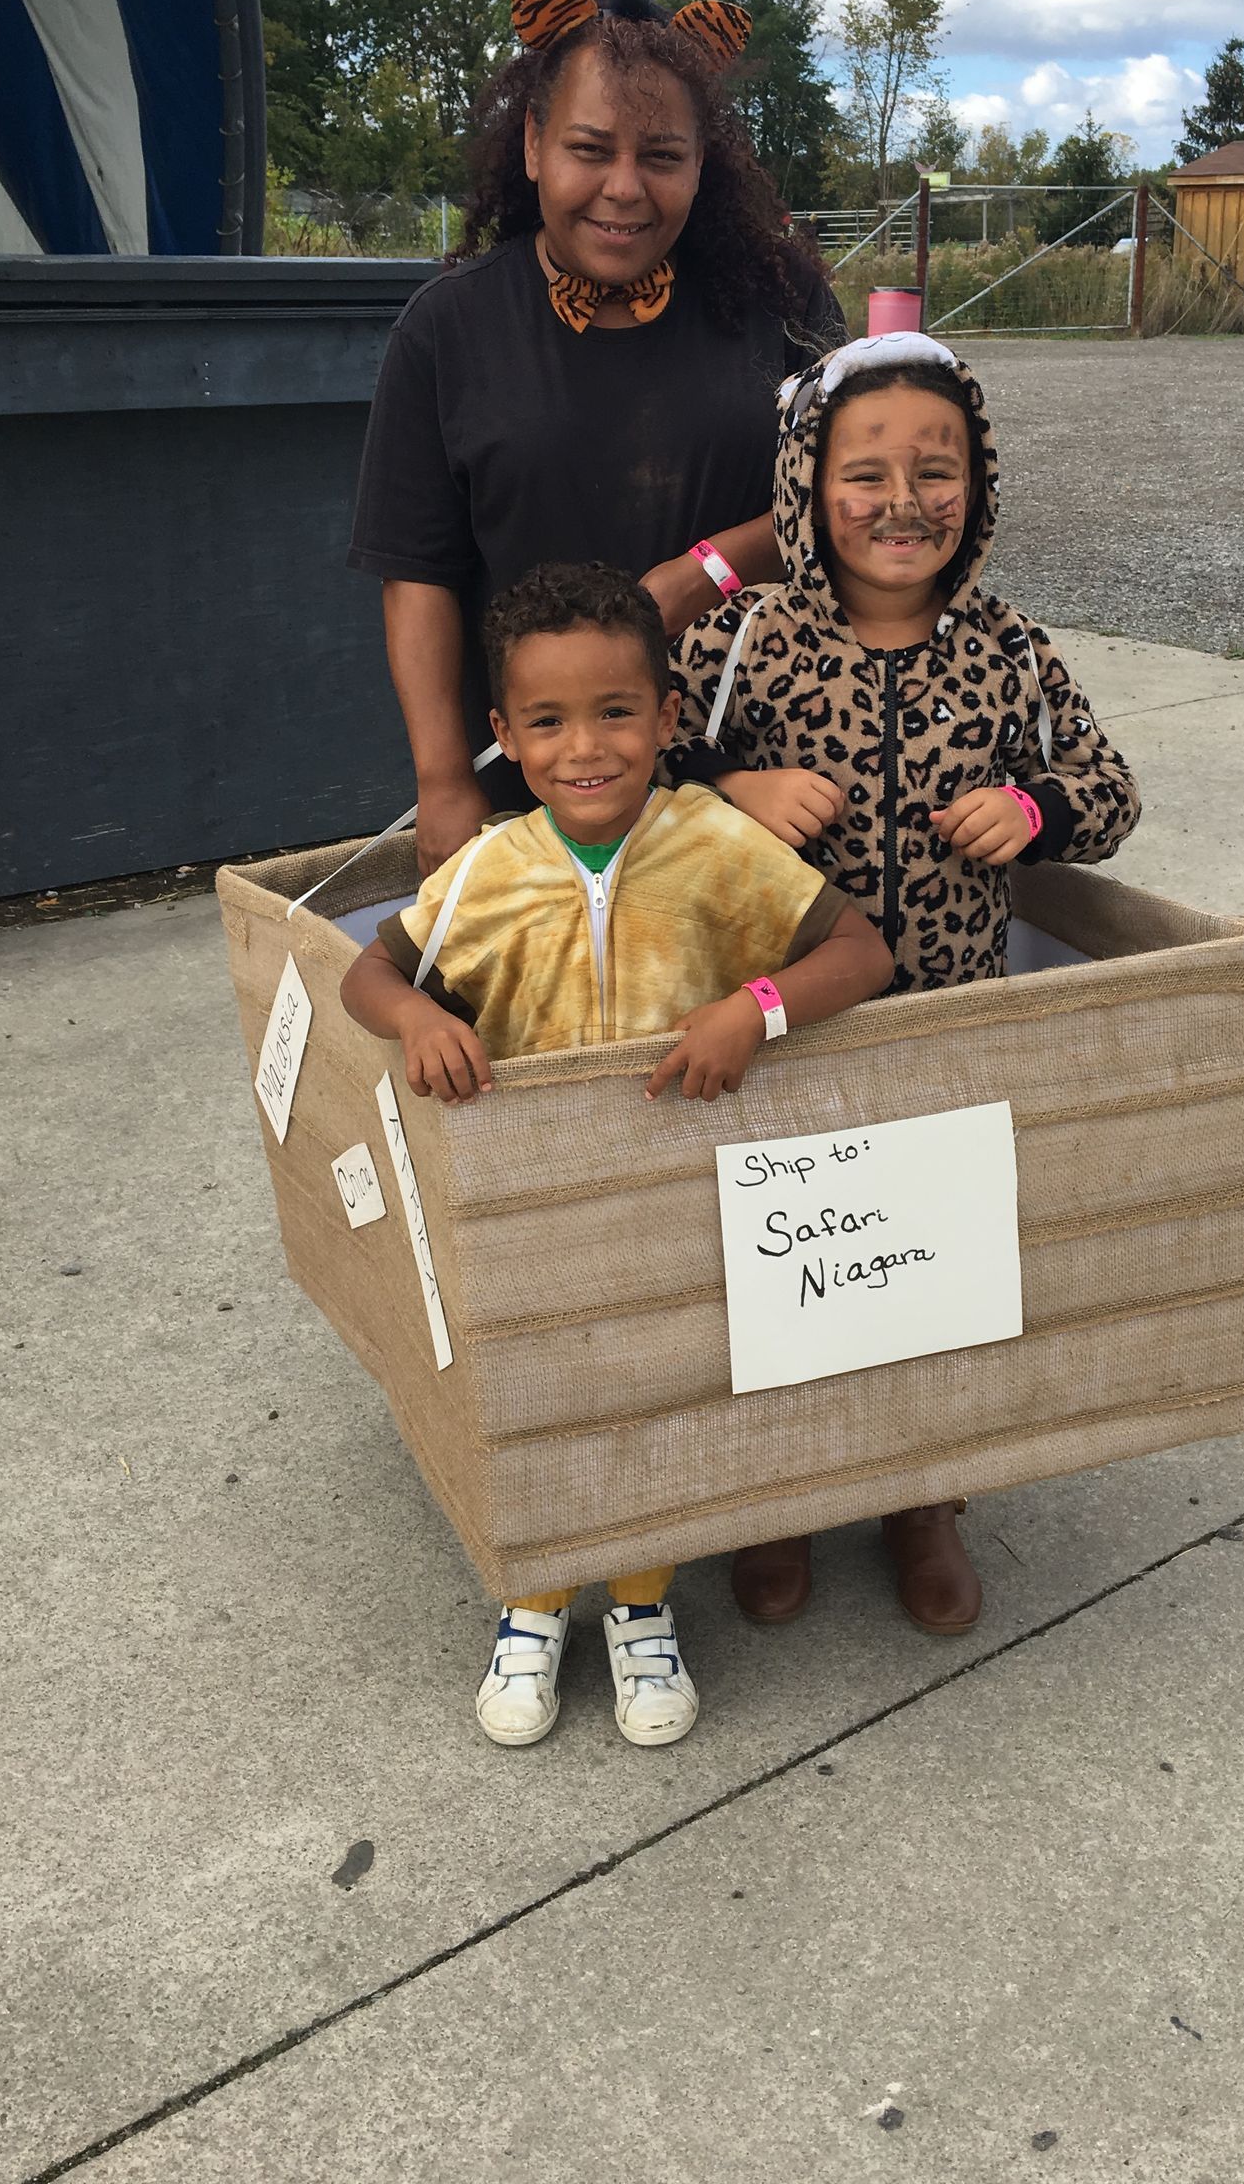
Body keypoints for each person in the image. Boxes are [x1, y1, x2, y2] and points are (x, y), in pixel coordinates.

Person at [338, 561, 893, 1748]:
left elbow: (860, 952)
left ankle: (643, 1606)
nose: (584, 747)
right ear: (502, 736)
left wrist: (757, 1006)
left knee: (653, 1391)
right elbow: (366, 970)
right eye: (545, 721)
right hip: (529, 1199)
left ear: (666, 715)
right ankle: (534, 1600)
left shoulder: (717, 845)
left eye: (615, 712)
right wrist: (421, 1018)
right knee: (537, 1390)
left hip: (680, 1187)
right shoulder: (488, 871)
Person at [668, 331, 1142, 1634]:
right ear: (809, 487)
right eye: (864, 470)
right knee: (775, 1276)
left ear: (977, 488)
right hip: (778, 1032)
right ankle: (778, 1500)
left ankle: (921, 1500)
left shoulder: (1008, 650)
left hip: (946, 1031)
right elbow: (614, 788)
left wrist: (1033, 812)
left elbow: (1110, 790)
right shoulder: (745, 642)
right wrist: (733, 792)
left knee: (926, 1277)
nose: (902, 499)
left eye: (938, 469)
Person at [348, 0, 846, 876]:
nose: (624, 189)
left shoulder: (783, 303)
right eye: (589, 149)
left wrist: (707, 572)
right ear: (536, 145)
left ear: (704, 162)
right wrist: (443, 777)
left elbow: (854, 501)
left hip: (762, 765)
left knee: (754, 1010)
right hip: (541, 784)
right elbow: (417, 573)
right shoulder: (446, 329)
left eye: (662, 155)